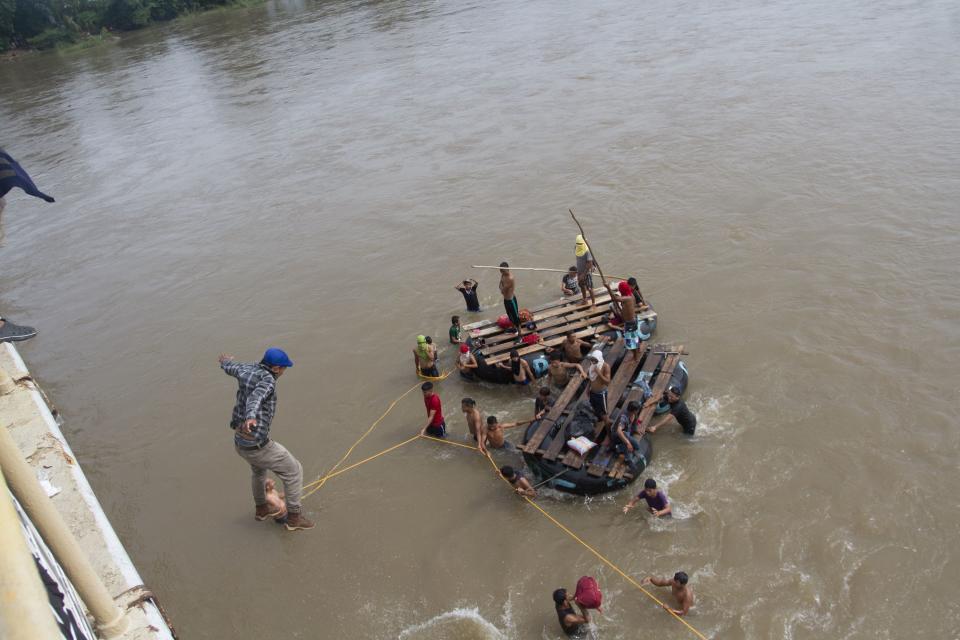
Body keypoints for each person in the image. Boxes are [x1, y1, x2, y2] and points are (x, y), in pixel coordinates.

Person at [219, 349, 314, 532]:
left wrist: (224, 362)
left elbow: (231, 367)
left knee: (258, 472)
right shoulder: (268, 380)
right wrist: (251, 416)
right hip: (257, 444)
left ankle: (262, 509)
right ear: (277, 368)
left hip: (240, 442)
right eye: (284, 369)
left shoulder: (247, 368)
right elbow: (256, 397)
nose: (284, 373)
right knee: (294, 471)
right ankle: (294, 518)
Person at [608, 280, 641, 360]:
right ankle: (638, 350)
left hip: (630, 323)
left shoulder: (627, 298)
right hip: (632, 321)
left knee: (631, 342)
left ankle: (635, 357)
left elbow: (614, 298)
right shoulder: (630, 296)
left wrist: (608, 288)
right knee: (634, 337)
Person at [586, 349, 612, 439]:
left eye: (595, 360)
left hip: (601, 394)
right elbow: (591, 377)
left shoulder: (605, 366)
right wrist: (587, 388)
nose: (593, 362)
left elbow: (607, 382)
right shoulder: (592, 364)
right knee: (594, 408)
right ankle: (598, 421)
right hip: (593, 392)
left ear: (600, 358)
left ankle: (609, 435)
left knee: (605, 416)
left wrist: (599, 373)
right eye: (592, 359)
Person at [499, 262, 523, 338]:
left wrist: (502, 288)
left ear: (507, 269)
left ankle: (520, 335)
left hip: (511, 300)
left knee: (515, 317)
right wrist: (501, 288)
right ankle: (514, 329)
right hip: (506, 300)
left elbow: (503, 290)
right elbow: (500, 285)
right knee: (510, 316)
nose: (501, 272)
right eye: (500, 270)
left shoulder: (510, 278)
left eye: (503, 270)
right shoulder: (503, 275)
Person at [574, 235, 595, 306]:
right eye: (578, 244)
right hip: (579, 271)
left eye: (580, 244)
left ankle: (593, 304)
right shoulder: (576, 248)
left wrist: (583, 274)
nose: (578, 245)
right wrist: (578, 272)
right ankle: (585, 300)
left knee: (590, 288)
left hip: (587, 273)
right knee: (581, 285)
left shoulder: (587, 251)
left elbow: (589, 263)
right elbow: (578, 260)